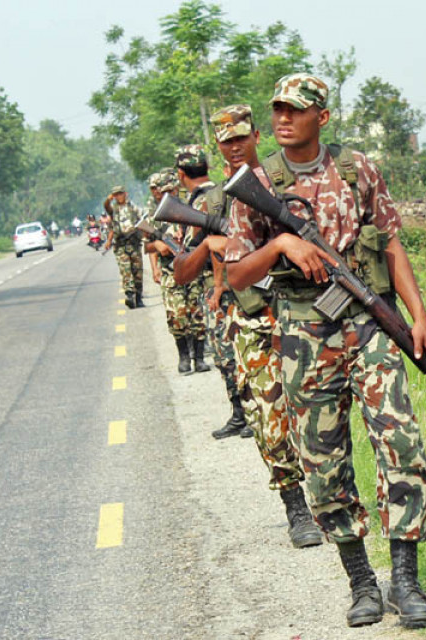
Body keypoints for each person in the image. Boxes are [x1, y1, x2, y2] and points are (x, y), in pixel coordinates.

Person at [224, 73, 426, 629]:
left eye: (295, 110)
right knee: (323, 462)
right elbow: (235, 274)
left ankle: (406, 581)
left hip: (369, 325)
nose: (282, 118)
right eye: (277, 109)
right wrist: (282, 242)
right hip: (303, 335)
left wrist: (419, 319)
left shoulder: (356, 169)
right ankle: (362, 582)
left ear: (321, 116)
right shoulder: (257, 183)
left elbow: (390, 243)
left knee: (402, 444)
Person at [197, 103, 322, 547]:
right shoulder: (215, 200)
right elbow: (187, 265)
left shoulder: (283, 178)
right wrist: (211, 246)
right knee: (269, 414)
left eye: (240, 138)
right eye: (225, 142)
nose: (234, 147)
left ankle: (331, 498)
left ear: (255, 137)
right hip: (252, 317)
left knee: (317, 407)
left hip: (302, 309)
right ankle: (296, 509)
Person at [172, 144, 250, 439]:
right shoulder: (212, 195)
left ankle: (246, 413)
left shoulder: (205, 201)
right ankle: (241, 414)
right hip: (225, 284)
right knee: (226, 354)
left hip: (223, 287)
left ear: (181, 174)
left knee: (229, 354)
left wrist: (217, 286)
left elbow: (216, 246)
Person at [143, 168, 210, 375]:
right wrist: (157, 248)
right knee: (176, 315)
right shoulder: (155, 216)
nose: (167, 194)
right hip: (170, 272)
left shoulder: (189, 208)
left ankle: (199, 358)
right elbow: (147, 246)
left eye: (171, 190)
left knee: (197, 314)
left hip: (193, 267)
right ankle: (184, 357)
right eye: (163, 191)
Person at [104, 186, 145, 308]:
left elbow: (142, 221)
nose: (119, 196)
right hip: (121, 245)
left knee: (137, 272)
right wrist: (109, 241)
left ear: (125, 194)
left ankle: (138, 298)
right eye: (116, 195)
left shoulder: (133, 207)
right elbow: (106, 207)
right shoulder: (113, 209)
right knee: (126, 271)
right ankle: (129, 295)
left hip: (134, 243)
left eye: (120, 193)